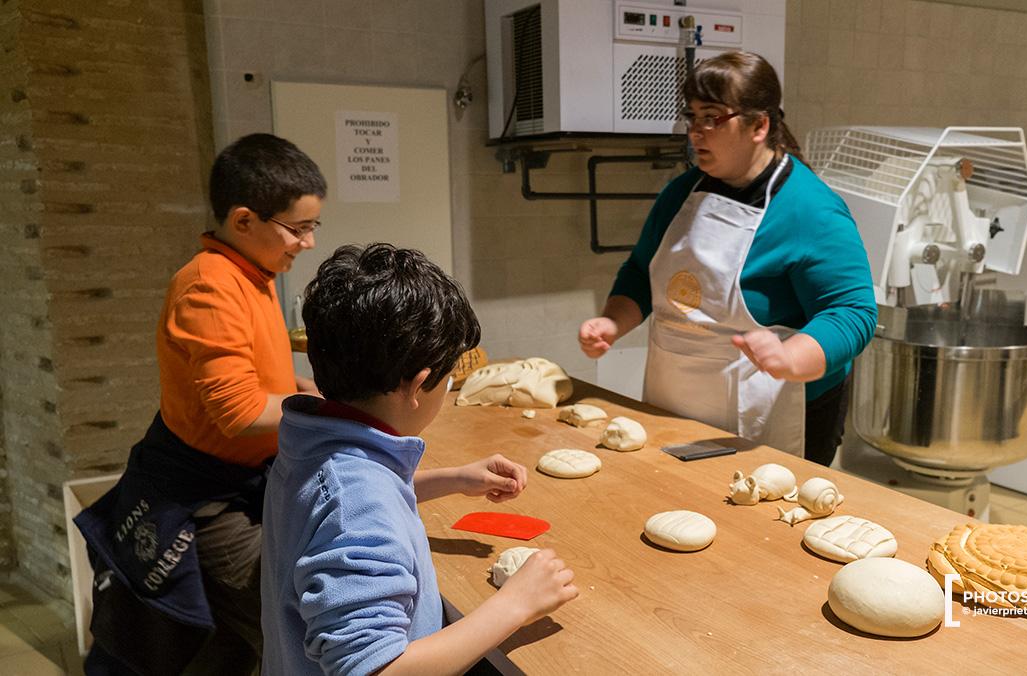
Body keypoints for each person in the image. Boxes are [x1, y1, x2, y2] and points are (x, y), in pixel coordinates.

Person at [261, 243, 578, 675]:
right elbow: (375, 670)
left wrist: (453, 479)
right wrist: (515, 605)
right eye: (448, 381)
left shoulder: (313, 441)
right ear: (419, 385)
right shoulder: (355, 507)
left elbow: (338, 508)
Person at [74, 133, 326, 675]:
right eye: (298, 228)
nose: (306, 243)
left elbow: (253, 379)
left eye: (312, 228)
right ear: (243, 221)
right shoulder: (208, 287)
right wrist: (331, 412)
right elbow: (238, 414)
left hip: (238, 482)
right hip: (204, 498)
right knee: (274, 623)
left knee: (233, 642)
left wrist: (298, 390)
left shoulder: (254, 274)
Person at [578, 51, 876, 466]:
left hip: (774, 412)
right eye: (692, 117)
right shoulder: (681, 194)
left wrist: (792, 357)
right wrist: (613, 321)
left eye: (712, 118)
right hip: (678, 400)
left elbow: (852, 312)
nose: (696, 133)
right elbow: (640, 273)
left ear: (760, 125)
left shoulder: (812, 210)